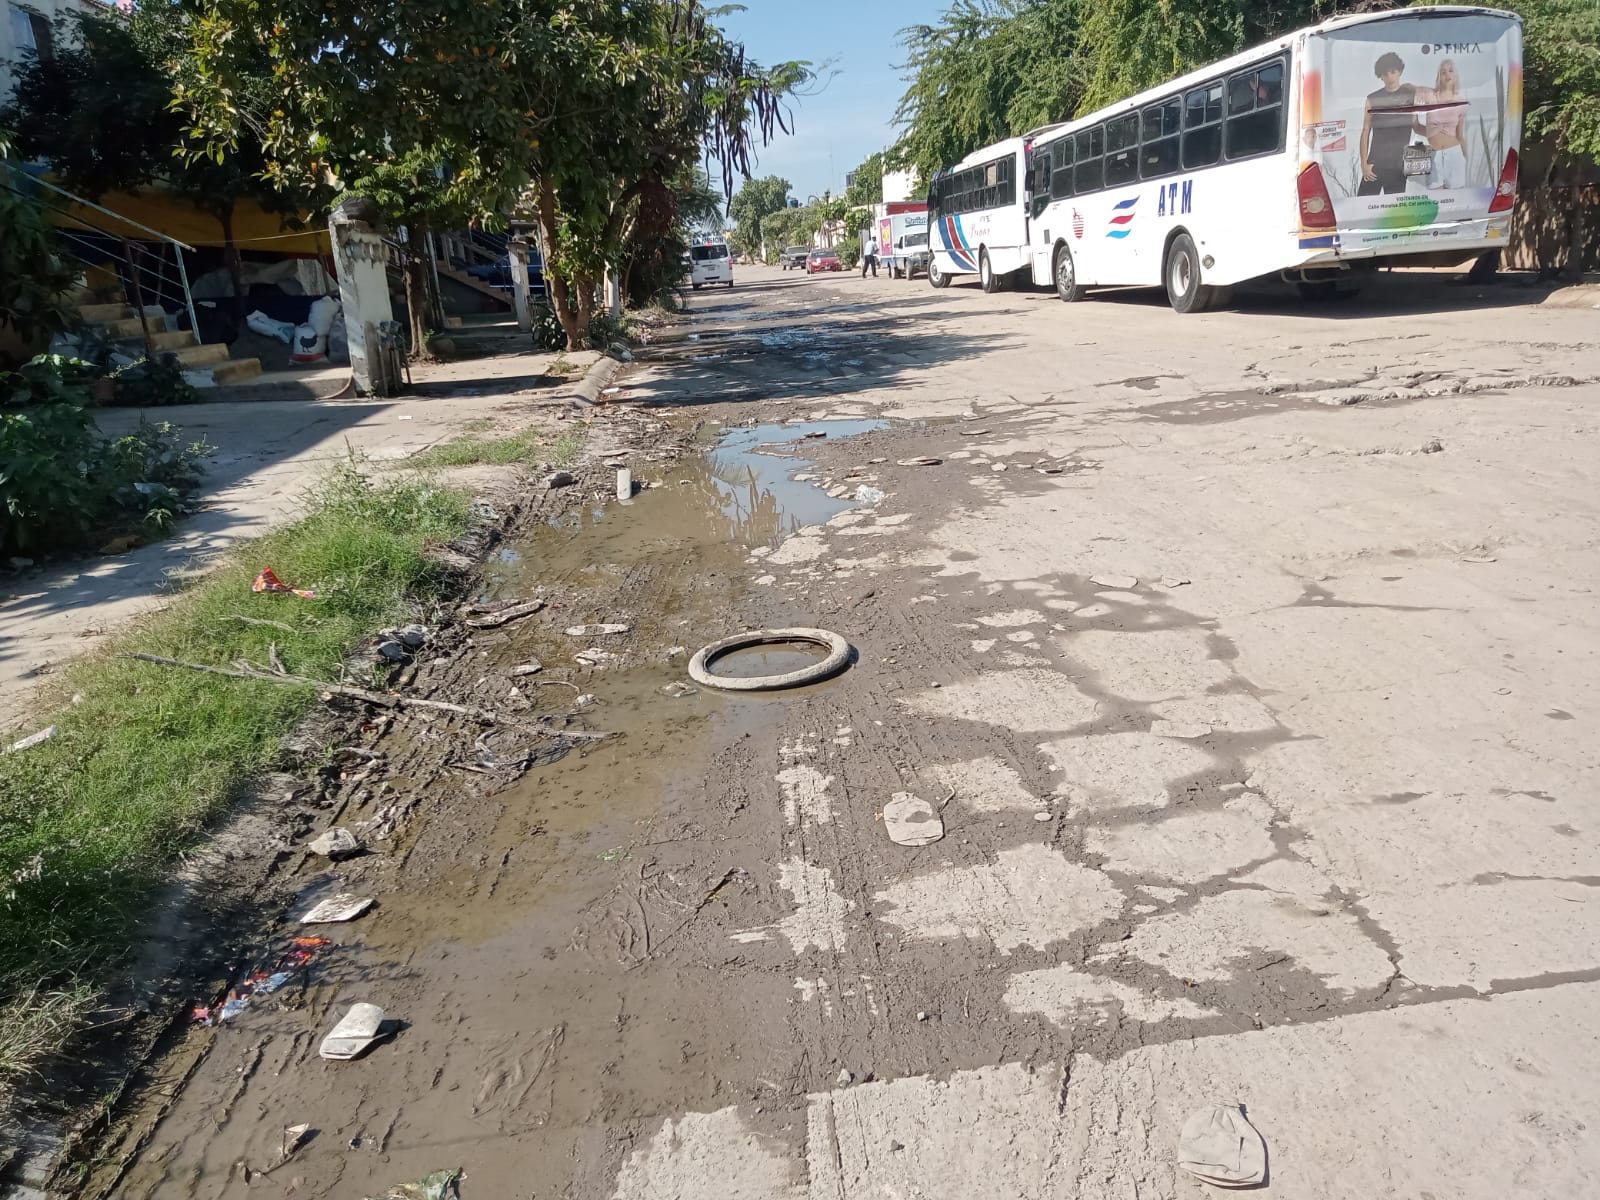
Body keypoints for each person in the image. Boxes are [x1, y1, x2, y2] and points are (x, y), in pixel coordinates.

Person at [1359, 51, 1416, 196]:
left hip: (1398, 165)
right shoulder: (1372, 99)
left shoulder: (1411, 95)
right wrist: (1364, 164)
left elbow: (1417, 125)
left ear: (1400, 72)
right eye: (1385, 73)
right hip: (1374, 163)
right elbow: (1365, 131)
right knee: (1363, 206)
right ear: (1381, 76)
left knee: (1394, 212)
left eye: (1393, 72)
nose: (1390, 77)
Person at [1413, 58, 1468, 190]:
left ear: (1455, 76)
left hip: (1455, 154)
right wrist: (1414, 107)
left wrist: (1467, 158)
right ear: (1439, 77)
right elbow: (1416, 127)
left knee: (1456, 202)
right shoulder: (1430, 96)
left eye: (1450, 71)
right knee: (1436, 202)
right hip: (1434, 154)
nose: (1447, 74)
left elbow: (1460, 135)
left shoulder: (1461, 101)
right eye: (1443, 72)